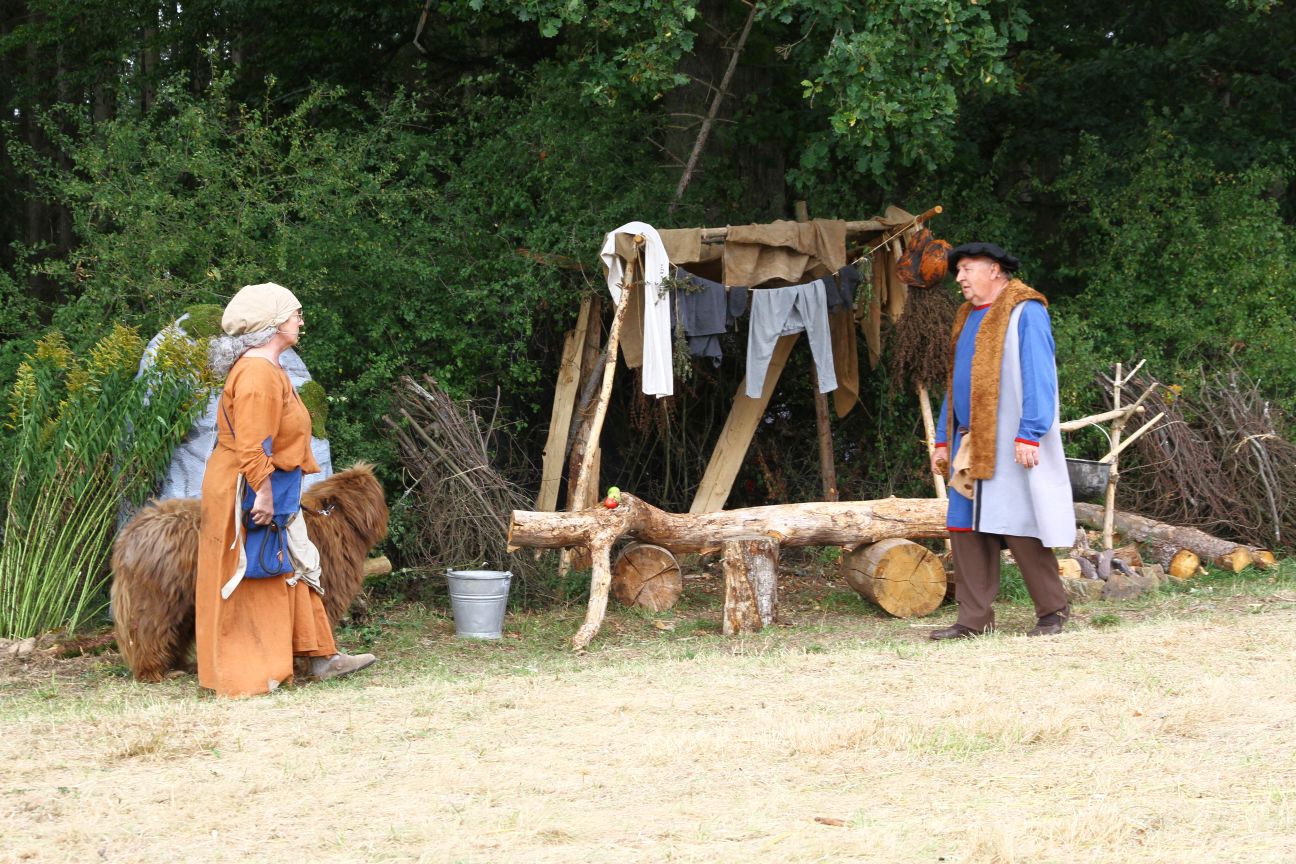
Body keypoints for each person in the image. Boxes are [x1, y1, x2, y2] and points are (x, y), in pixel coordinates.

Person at [196, 282, 375, 696]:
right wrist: (262, 492)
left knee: (295, 564)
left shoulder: (268, 367)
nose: (301, 321)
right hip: (251, 487)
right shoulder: (257, 373)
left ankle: (321, 656)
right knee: (256, 571)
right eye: (295, 314)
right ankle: (249, 673)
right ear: (274, 323)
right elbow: (252, 443)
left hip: (273, 484)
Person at [930, 243, 1075, 639]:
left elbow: (1039, 375)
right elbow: (955, 382)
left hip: (1011, 439)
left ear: (994, 270)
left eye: (967, 268)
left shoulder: (1025, 310)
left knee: (1020, 523)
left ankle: (1053, 612)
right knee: (964, 527)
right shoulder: (966, 315)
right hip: (968, 443)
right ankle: (973, 620)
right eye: (958, 271)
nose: (959, 278)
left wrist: (1030, 431)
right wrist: (942, 438)